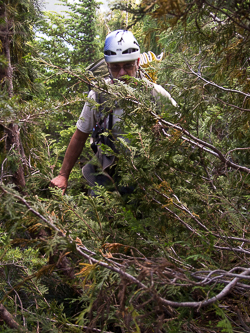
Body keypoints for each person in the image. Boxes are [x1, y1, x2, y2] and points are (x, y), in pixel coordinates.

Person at [50, 30, 176, 194]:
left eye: (128, 65)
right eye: (115, 67)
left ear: (137, 62)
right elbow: (80, 136)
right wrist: (62, 175)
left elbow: (179, 129)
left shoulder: (155, 93)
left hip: (149, 176)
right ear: (108, 66)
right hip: (109, 171)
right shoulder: (98, 95)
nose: (122, 73)